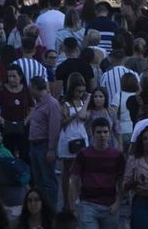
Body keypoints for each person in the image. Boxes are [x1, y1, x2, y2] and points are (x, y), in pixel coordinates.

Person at [27, 76, 62, 211]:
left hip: (44, 145)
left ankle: (51, 209)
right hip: (34, 145)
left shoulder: (51, 104)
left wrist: (51, 149)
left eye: (31, 87)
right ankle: (41, 209)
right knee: (39, 181)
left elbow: (54, 128)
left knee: (48, 180)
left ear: (36, 88)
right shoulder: (38, 103)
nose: (29, 90)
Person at [57, 76, 90, 211]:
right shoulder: (66, 104)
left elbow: (85, 118)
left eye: (82, 91)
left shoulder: (83, 102)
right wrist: (74, 115)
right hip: (69, 136)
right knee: (67, 169)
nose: (80, 94)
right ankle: (66, 201)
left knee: (81, 169)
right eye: (78, 91)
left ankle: (78, 198)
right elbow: (62, 122)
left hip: (81, 135)